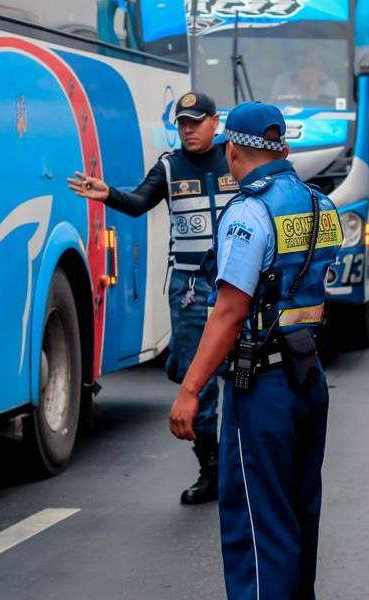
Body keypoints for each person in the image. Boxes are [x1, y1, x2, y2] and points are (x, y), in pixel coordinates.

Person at [168, 101, 343, 599]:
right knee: (299, 512)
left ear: (232, 149)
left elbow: (229, 311)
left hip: (263, 389)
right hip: (309, 381)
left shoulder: (248, 211)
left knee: (257, 525)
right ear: (282, 147)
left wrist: (190, 389)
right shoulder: (320, 205)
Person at [67, 91, 235, 505]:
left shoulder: (236, 158)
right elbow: (140, 201)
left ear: (216, 122)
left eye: (197, 122)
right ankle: (210, 467)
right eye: (183, 124)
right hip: (191, 288)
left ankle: (233, 463)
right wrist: (108, 194)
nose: (189, 130)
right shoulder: (169, 167)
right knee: (191, 372)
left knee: (241, 371)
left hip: (237, 285)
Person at [271, 53, 340, 103]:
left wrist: (313, 90)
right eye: (303, 65)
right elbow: (274, 106)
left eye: (312, 66)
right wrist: (298, 87)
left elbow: (331, 113)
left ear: (320, 67)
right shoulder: (282, 80)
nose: (307, 70)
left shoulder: (329, 86)